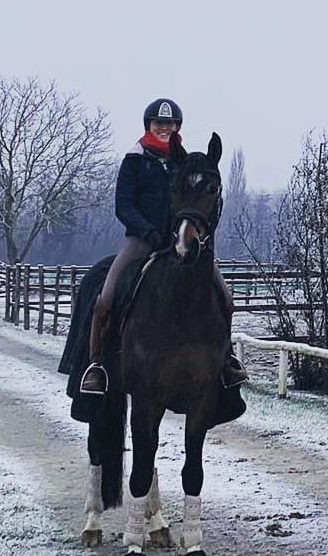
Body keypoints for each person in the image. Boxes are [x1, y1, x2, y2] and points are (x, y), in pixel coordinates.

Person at [80, 98, 247, 394]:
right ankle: (96, 366)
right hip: (141, 241)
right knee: (105, 298)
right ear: (149, 126)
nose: (164, 128)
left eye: (170, 124)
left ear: (177, 127)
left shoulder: (182, 161)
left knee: (226, 297)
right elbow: (124, 205)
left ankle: (226, 361)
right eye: (159, 123)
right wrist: (148, 231)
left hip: (180, 239)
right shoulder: (135, 159)